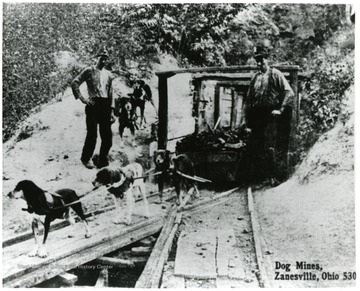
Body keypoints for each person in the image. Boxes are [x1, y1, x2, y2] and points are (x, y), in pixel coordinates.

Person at [242, 44, 295, 185]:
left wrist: (281, 109)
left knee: (276, 146)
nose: (259, 63)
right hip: (259, 116)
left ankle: (277, 177)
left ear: (267, 59)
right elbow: (248, 102)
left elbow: (289, 92)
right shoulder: (255, 78)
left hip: (275, 115)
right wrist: (248, 123)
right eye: (257, 60)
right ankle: (262, 177)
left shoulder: (275, 74)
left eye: (262, 59)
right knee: (259, 146)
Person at [71, 48, 115, 169]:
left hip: (105, 105)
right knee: (92, 134)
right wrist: (82, 98)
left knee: (107, 136)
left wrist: (111, 111)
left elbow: (111, 93)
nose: (104, 61)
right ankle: (86, 158)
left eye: (106, 59)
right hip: (93, 104)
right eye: (102, 58)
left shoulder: (109, 75)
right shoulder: (89, 71)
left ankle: (103, 159)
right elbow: (75, 82)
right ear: (97, 58)